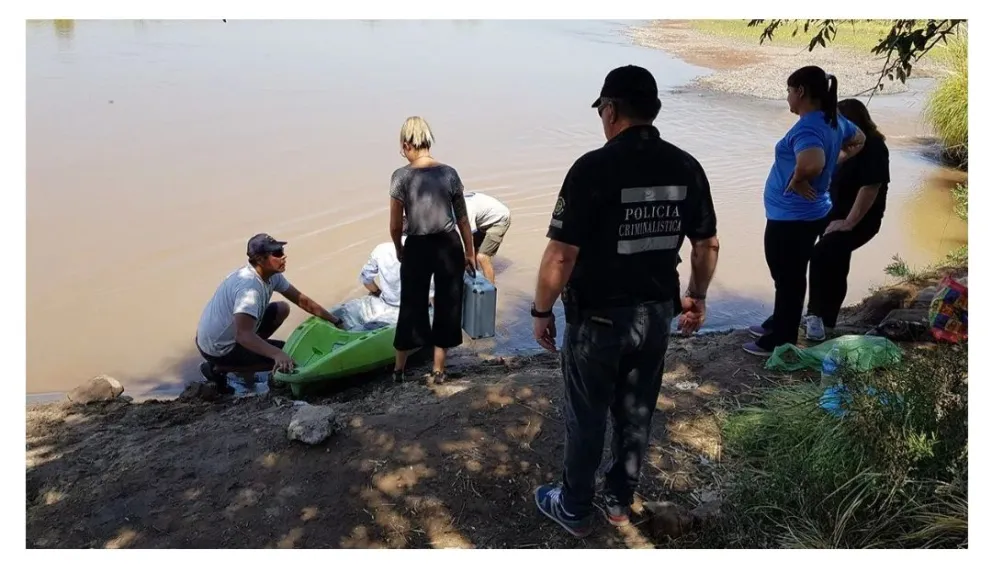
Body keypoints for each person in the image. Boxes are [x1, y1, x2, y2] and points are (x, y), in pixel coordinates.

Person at [530, 65, 720, 538]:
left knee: (588, 413)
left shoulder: (592, 168)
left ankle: (573, 506)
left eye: (602, 110)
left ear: (611, 110)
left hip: (597, 318)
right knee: (636, 410)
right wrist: (695, 295)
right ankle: (618, 502)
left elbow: (561, 253)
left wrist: (540, 310)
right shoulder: (686, 166)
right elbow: (706, 245)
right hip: (655, 314)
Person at [743, 65, 866, 357]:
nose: (787, 98)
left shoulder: (809, 126)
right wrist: (839, 157)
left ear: (800, 92)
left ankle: (782, 339)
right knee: (791, 272)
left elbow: (812, 163)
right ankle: (781, 319)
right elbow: (859, 138)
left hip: (792, 218)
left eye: (788, 91)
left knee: (787, 275)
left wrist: (799, 178)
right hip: (812, 212)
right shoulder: (832, 119)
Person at [388, 116, 476, 385]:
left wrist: (399, 247)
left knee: (410, 305)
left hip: (417, 246)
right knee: (447, 305)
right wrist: (470, 253)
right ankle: (439, 369)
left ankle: (399, 370)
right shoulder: (449, 173)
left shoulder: (401, 176)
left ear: (406, 144)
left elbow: (394, 224)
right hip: (448, 245)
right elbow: (463, 219)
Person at [195, 233, 344, 390]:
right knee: (291, 357)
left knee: (281, 309)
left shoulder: (271, 275)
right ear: (260, 259)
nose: (284, 256)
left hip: (226, 335)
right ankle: (218, 369)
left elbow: (301, 300)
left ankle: (251, 356)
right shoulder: (249, 289)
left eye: (282, 250)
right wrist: (276, 354)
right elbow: (243, 335)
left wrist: (335, 320)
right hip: (218, 348)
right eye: (277, 253)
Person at [804, 99, 890, 341]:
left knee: (821, 254)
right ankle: (827, 322)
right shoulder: (847, 146)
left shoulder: (873, 147)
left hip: (861, 219)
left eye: (838, 122)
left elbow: (870, 188)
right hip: (835, 215)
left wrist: (849, 223)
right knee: (837, 263)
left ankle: (815, 315)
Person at [465, 191, 512, 283]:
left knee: (482, 257)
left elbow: (469, 237)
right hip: (484, 219)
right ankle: (474, 279)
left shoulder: (466, 210)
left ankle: (490, 290)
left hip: (499, 220)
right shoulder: (453, 201)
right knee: (473, 250)